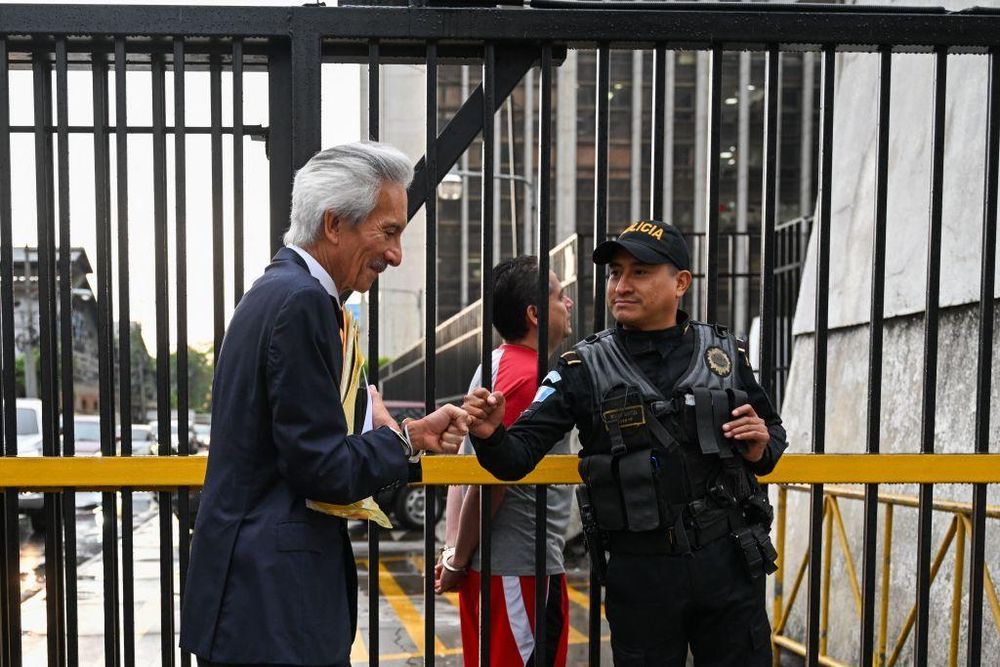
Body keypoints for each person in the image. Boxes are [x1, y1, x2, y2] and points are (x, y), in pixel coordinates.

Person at [180, 142, 468, 667]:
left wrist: (388, 431)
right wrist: (406, 441)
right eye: (389, 231)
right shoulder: (304, 302)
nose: (396, 254)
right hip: (273, 610)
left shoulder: (276, 291)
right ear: (334, 224)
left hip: (254, 602)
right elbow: (318, 466)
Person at [463, 220, 787, 666]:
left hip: (728, 564)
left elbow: (771, 433)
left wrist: (760, 445)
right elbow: (515, 459)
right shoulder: (582, 367)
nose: (621, 285)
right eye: (616, 272)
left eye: (640, 272)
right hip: (642, 574)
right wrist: (490, 434)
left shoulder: (726, 355)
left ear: (680, 283)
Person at [436, 256, 575, 667]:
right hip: (518, 569)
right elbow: (493, 479)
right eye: (560, 295)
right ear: (535, 314)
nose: (568, 304)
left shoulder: (494, 364)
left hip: (497, 566)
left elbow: (464, 470)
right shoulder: (530, 376)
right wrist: (458, 560)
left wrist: (453, 551)